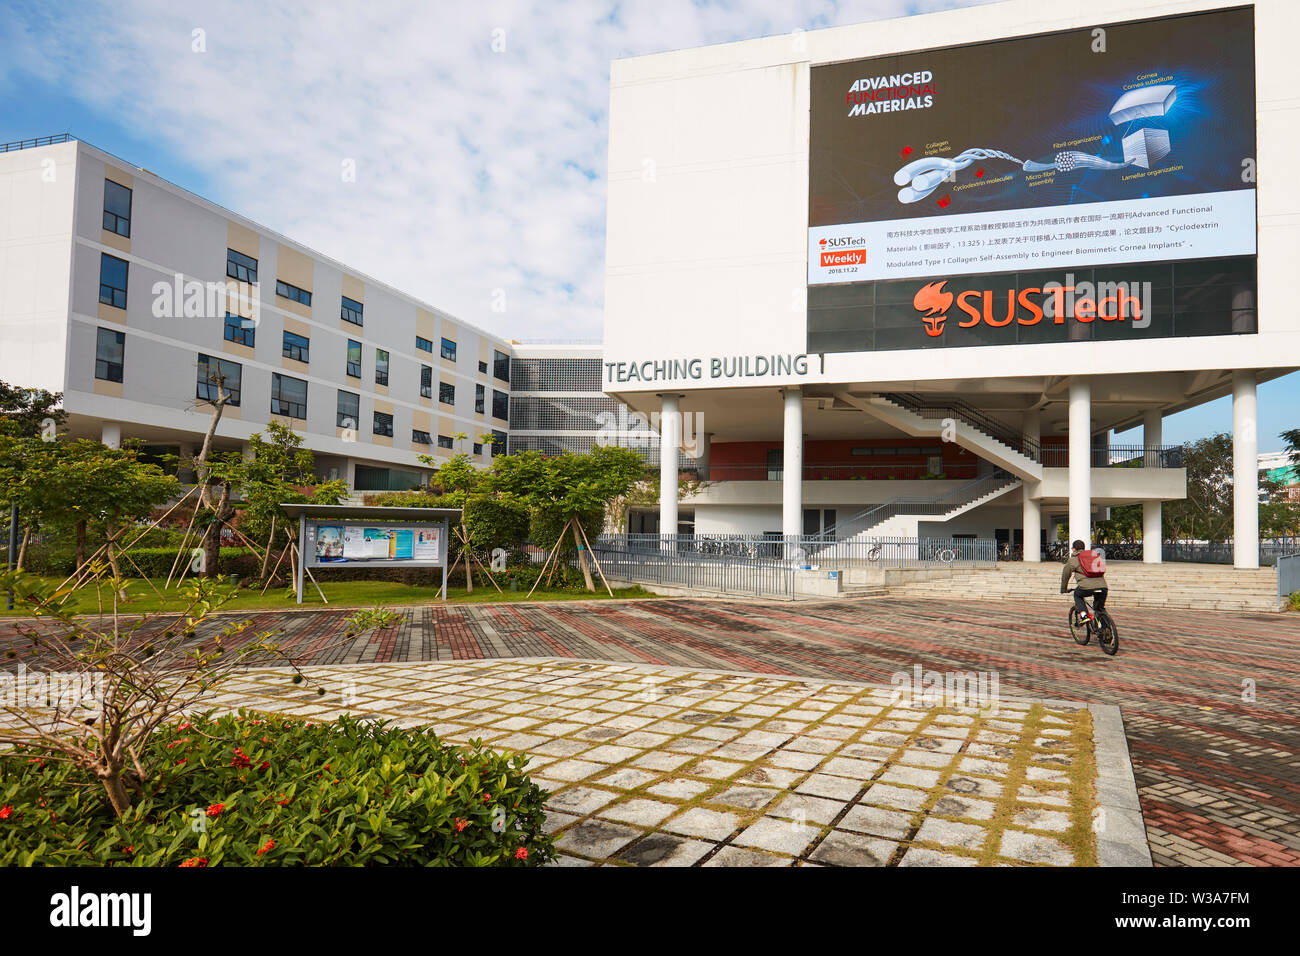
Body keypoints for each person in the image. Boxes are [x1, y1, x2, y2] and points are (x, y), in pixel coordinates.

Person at [1060, 538, 1107, 620]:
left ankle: (1084, 615)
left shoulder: (1073, 560)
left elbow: (1065, 575)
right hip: (1103, 586)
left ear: (1074, 549)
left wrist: (1063, 589)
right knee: (1099, 609)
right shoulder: (1093, 556)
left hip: (1086, 587)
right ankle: (1106, 629)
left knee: (1077, 594)